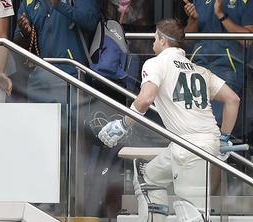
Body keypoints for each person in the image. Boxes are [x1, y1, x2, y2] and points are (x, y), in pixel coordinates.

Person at [97, 18, 240, 222]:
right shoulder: (200, 71)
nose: (153, 43)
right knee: (148, 177)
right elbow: (233, 99)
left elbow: (146, 98)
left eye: (155, 38)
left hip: (188, 147)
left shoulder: (156, 63)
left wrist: (122, 125)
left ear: (163, 41)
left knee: (193, 216)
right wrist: (224, 138)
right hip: (199, 144)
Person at [13, 0, 98, 102]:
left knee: (70, 126)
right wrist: (25, 34)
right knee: (39, 125)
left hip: (72, 74)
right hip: (39, 77)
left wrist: (59, 5)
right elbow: (18, 48)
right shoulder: (29, 2)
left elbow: (91, 22)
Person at [183, 0, 253, 124]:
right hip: (197, 67)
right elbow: (187, 41)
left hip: (228, 68)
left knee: (212, 121)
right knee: (188, 119)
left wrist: (222, 15)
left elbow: (248, 42)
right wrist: (193, 19)